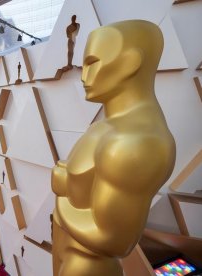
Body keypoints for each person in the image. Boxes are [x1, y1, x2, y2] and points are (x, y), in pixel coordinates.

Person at [51, 21, 176, 276]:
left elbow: (115, 241)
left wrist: (62, 195)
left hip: (87, 268)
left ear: (130, 62)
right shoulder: (107, 127)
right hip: (70, 258)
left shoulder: (136, 142)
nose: (83, 76)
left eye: (92, 63)